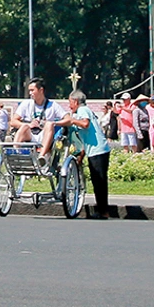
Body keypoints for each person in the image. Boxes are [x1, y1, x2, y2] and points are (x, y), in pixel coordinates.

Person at [57, 90, 116, 219]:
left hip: (98, 151)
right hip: (96, 150)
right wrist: (82, 155)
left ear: (76, 101)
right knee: (98, 181)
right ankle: (102, 210)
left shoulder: (82, 110)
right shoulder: (83, 111)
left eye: (70, 102)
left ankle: (103, 211)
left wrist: (72, 121)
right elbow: (87, 136)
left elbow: (85, 124)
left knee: (99, 181)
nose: (69, 105)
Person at [12, 78, 68, 163]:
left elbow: (68, 119)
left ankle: (41, 156)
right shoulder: (26, 104)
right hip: (30, 134)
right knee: (24, 126)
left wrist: (54, 123)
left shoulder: (53, 105)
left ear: (41, 90)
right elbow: (13, 121)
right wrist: (29, 125)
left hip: (44, 135)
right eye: (29, 91)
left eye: (32, 90)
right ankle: (15, 154)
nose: (30, 93)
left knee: (49, 124)